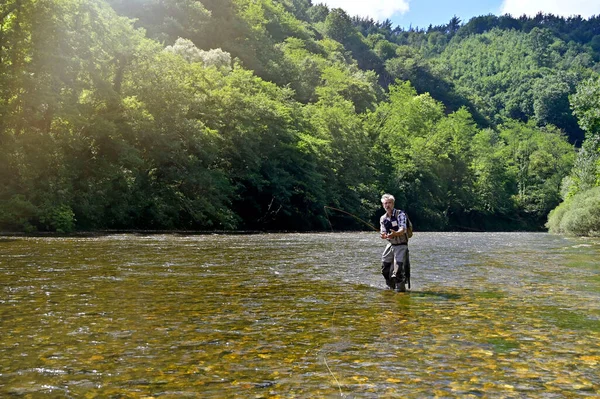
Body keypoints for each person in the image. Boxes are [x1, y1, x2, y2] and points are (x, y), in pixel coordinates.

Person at [379, 193, 410, 292]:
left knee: (398, 271)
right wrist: (383, 235)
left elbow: (403, 229)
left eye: (389, 203)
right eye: (385, 203)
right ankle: (390, 288)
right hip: (391, 245)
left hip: (401, 245)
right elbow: (383, 231)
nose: (387, 205)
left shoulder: (400, 214)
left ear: (393, 204)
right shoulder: (383, 218)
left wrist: (395, 233)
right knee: (385, 268)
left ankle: (401, 291)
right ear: (383, 205)